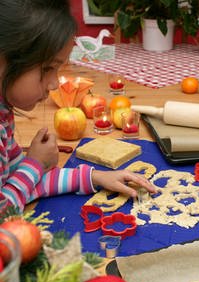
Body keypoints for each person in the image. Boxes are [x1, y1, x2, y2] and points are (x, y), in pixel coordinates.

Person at [0, 0, 155, 214]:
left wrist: (95, 177)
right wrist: (35, 163)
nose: (54, 84)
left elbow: (23, 183)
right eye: (47, 69)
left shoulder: (3, 111)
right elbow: (4, 212)